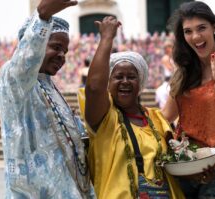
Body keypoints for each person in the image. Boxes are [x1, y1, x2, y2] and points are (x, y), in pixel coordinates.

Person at [78, 16, 185, 199]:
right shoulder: (104, 119)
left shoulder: (156, 118)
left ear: (141, 82)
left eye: (131, 77)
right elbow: (95, 88)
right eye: (118, 76)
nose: (125, 82)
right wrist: (106, 39)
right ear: (108, 83)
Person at [0, 0, 95, 198]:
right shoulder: (14, 79)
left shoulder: (49, 86)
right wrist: (42, 16)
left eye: (65, 51)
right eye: (56, 47)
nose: (62, 56)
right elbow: (25, 61)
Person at [162, 1, 215, 199]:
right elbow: (166, 116)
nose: (196, 37)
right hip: (183, 168)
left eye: (201, 28)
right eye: (188, 31)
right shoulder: (183, 74)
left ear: (214, 27)